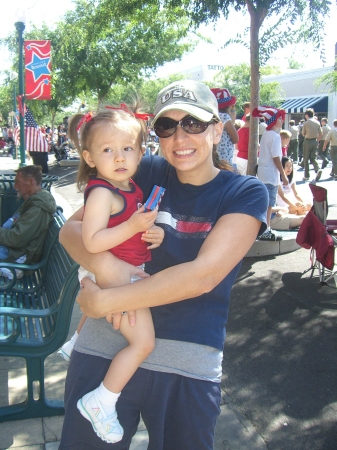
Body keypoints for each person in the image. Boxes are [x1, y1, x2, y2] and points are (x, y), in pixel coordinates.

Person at [58, 80, 268, 450]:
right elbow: (71, 233)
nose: (180, 136)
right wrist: (114, 276)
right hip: (106, 344)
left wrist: (108, 300)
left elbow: (202, 276)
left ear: (217, 128)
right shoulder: (141, 169)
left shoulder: (244, 192)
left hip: (185, 360)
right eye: (167, 127)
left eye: (194, 123)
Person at [58, 106, 164, 443]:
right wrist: (133, 224)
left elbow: (125, 230)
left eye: (127, 149)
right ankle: (102, 400)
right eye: (108, 150)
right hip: (119, 276)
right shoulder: (103, 191)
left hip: (124, 269)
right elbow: (91, 240)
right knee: (143, 342)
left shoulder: (127, 185)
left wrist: (149, 233)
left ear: (141, 153)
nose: (119, 157)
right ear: (89, 157)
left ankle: (74, 342)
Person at [0, 165, 56, 279]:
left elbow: (16, 238)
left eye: (18, 182)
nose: (15, 186)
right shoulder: (35, 201)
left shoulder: (38, 208)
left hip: (17, 256)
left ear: (30, 182)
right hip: (14, 251)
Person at [252, 106, 289, 241]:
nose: (282, 120)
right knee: (269, 204)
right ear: (275, 120)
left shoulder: (266, 134)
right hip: (270, 174)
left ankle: (264, 229)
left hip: (263, 172)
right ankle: (265, 229)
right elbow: (276, 157)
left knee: (266, 203)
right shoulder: (275, 136)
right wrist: (283, 175)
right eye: (280, 118)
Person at [210, 88, 238, 165]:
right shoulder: (225, 117)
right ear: (228, 106)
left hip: (213, 158)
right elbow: (236, 139)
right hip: (225, 159)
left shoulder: (211, 116)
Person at [301, 108, 322, 181]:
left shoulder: (306, 123)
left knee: (306, 158)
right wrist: (318, 140)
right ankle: (318, 169)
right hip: (315, 141)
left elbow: (303, 133)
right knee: (313, 157)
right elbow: (321, 133)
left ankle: (307, 175)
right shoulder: (317, 122)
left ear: (307, 115)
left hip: (308, 141)